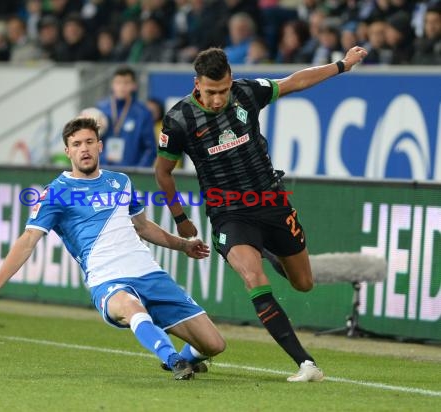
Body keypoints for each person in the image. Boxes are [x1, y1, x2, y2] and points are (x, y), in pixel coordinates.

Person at [155, 45, 368, 382]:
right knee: (253, 277)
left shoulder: (247, 93)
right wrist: (181, 218)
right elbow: (163, 172)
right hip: (229, 214)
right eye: (210, 92)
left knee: (303, 283)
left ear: (231, 81)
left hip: (271, 202)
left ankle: (268, 251)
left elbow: (296, 81)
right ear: (197, 83)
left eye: (223, 90)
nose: (217, 99)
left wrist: (342, 65)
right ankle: (305, 363)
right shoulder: (179, 119)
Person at [0, 117, 225, 380]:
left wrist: (183, 245)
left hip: (149, 273)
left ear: (100, 146)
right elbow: (27, 241)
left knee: (214, 344)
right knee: (131, 307)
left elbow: (143, 227)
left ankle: (185, 358)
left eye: (89, 142)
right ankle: (173, 359)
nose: (84, 149)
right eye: (77, 144)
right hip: (107, 279)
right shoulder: (56, 193)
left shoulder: (121, 182)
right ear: (67, 151)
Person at [96, 66, 157, 167]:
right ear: (112, 85)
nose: (122, 87)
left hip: (130, 173)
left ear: (134, 86)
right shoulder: (100, 110)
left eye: (126, 83)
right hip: (103, 171)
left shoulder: (143, 113)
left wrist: (139, 172)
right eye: (118, 82)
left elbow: (150, 148)